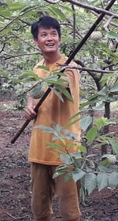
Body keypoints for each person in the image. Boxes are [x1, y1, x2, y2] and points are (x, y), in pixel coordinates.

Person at [24, 15, 82, 221]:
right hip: (39, 147)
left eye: (54, 34)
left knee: (70, 211)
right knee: (39, 209)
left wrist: (58, 72)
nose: (50, 38)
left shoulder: (70, 67)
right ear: (36, 41)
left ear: (59, 38)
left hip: (65, 148)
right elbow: (32, 95)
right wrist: (29, 106)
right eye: (44, 34)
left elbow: (63, 87)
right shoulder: (36, 69)